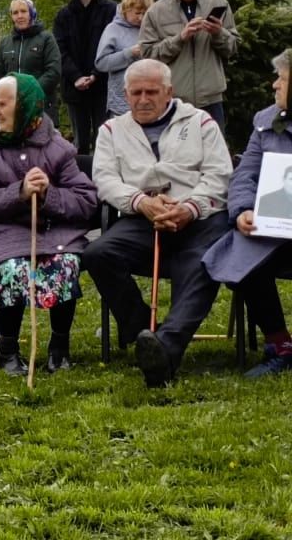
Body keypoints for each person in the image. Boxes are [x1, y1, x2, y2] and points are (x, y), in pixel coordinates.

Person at [82, 58, 232, 387]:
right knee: (97, 253)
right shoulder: (111, 130)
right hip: (141, 216)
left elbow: (220, 174)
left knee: (203, 261)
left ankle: (167, 346)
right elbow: (105, 179)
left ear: (169, 92)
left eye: (152, 91)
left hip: (197, 217)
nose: (143, 99)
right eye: (136, 92)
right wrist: (142, 202)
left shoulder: (201, 122)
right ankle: (142, 335)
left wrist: (189, 207)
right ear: (126, 93)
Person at [0, 74, 96, 374]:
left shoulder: (58, 148)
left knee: (64, 263)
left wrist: (49, 194)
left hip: (53, 231)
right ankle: (6, 348)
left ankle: (59, 347)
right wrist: (19, 193)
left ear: (25, 107)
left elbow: (87, 200)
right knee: (11, 268)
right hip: (5, 233)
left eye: (2, 104)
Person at [204, 50, 292, 376]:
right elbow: (244, 175)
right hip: (274, 223)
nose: (274, 85)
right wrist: (241, 210)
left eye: (282, 79)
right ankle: (279, 345)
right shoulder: (265, 121)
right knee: (242, 256)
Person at [138, 0, 237, 129]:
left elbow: (233, 48)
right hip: (173, 101)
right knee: (175, 155)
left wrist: (218, 33)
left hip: (211, 99)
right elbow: (147, 57)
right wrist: (180, 38)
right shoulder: (156, 12)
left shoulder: (218, 3)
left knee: (212, 154)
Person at [53, 0, 118, 155]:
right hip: (75, 89)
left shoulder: (111, 10)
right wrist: (76, 77)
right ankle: (80, 183)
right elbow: (59, 50)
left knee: (104, 141)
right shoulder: (64, 15)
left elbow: (114, 46)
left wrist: (95, 74)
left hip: (102, 86)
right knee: (80, 144)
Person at [0, 0, 61, 122]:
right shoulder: (4, 43)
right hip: (11, 112)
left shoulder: (46, 39)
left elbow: (53, 72)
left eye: (23, 11)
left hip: (41, 109)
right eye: (15, 12)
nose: (20, 16)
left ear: (32, 13)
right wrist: (5, 94)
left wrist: (28, 93)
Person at [94, 0, 154, 118]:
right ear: (127, 9)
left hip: (149, 101)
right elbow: (101, 63)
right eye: (137, 13)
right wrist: (129, 53)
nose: (141, 17)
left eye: (145, 13)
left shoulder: (151, 28)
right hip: (121, 104)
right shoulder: (113, 30)